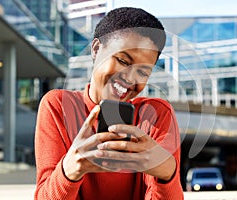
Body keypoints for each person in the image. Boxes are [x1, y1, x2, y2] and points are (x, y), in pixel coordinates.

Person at [34, 7, 184, 200]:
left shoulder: (156, 115)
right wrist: (70, 170)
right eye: (122, 60)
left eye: (142, 72)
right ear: (96, 49)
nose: (130, 78)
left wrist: (167, 174)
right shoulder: (58, 106)